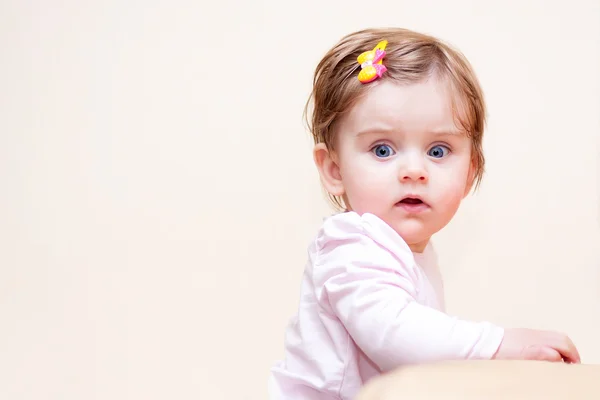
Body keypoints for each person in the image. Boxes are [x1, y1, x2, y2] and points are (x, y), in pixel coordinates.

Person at [268, 27, 581, 400]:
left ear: (469, 172)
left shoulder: (408, 250)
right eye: (383, 150)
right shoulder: (352, 245)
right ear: (334, 170)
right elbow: (393, 334)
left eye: (438, 151)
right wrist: (498, 343)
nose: (414, 171)